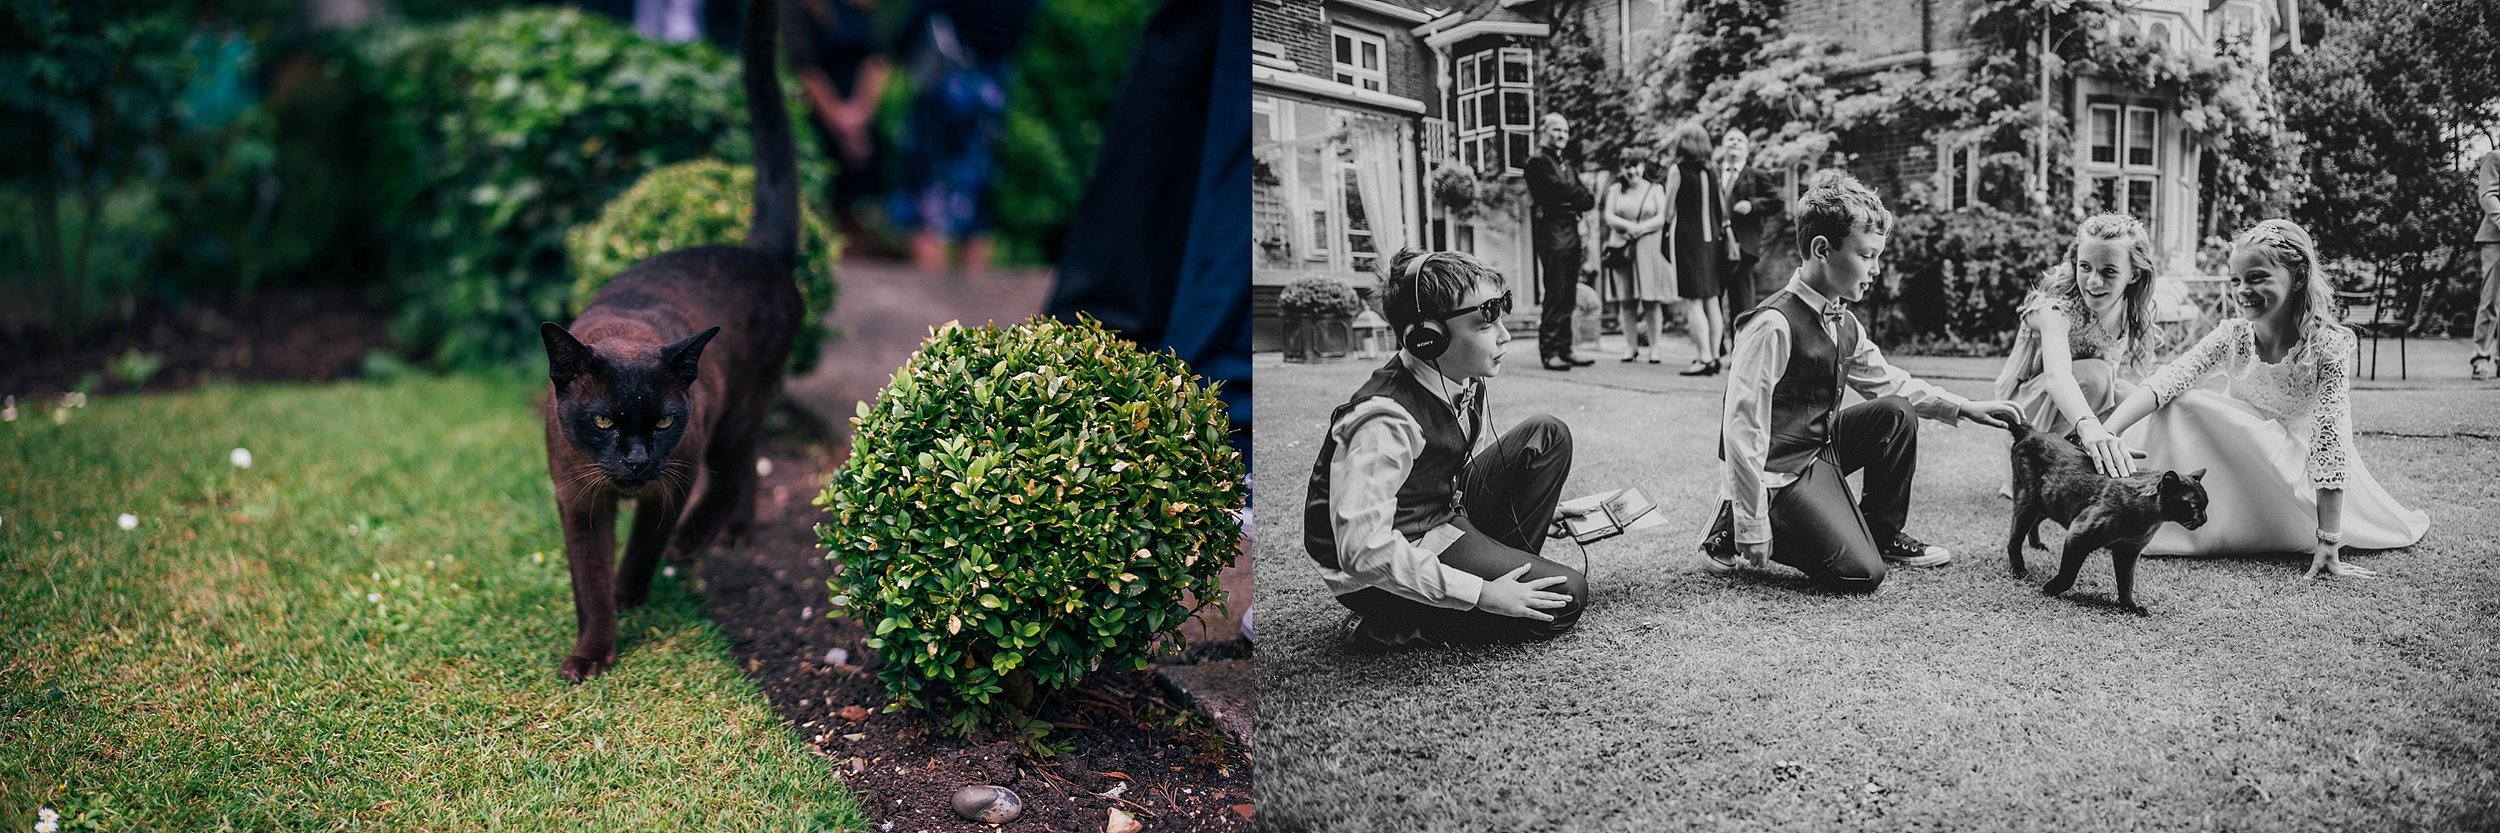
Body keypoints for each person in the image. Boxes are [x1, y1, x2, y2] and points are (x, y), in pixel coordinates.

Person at [1697, 170, 2021, 591]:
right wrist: (1752, 521)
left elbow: (1890, 384)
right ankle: (1733, 520)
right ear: (1822, 249)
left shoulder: (1844, 321)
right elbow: (1742, 429)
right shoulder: (1771, 324)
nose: (1877, 269)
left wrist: (1963, 407)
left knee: (1896, 413)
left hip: (1820, 450)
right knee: (1860, 573)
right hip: (1780, 471)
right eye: (1867, 256)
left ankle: (1882, 533)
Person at [2099, 219, 2430, 575]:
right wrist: (2107, 431)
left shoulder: (2326, 346)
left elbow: (2331, 440)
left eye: (2257, 278)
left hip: (2293, 471)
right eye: (2237, 281)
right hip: (2237, 460)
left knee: (2193, 403)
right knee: (2177, 400)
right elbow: (2170, 377)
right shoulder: (2233, 335)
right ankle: (2131, 508)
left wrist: (2330, 540)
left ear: (2298, 277)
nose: (2243, 290)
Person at [1302, 249, 1587, 650]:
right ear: (1428, 338)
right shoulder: (1384, 418)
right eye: (1486, 324)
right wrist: (1483, 595)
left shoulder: (1461, 377)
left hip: (1436, 515)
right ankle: (1393, 623)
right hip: (1385, 559)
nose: (1504, 336)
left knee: (1548, 434)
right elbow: (1362, 552)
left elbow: (1444, 475)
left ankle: (1488, 583)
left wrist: (1532, 504)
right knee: (1567, 596)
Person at [1991, 213, 2161, 479]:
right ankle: (2037, 469)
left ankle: (2104, 467)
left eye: (2108, 271)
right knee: (2096, 376)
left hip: (2074, 406)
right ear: (2075, 262)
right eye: (2085, 267)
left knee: (2133, 397)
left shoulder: (2127, 310)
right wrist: (2089, 424)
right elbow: (2057, 377)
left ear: (2134, 274)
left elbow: (2114, 384)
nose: (2093, 281)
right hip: (2024, 412)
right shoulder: (2057, 310)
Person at [887, 0, 1039, 274]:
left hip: (945, 93)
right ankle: (974, 306)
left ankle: (929, 305)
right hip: (990, 95)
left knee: (928, 201)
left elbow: (906, 33)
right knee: (977, 203)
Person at [788, 0, 892, 255]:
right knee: (827, 202)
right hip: (822, 114)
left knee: (858, 205)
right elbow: (806, 66)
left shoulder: (865, 6)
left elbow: (879, 59)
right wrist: (838, 118)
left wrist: (860, 113)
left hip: (862, 113)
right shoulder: (806, 7)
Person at [1662, 122, 1737, 376]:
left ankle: (1703, 357)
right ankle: (1715, 356)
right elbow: (1720, 210)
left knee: (1693, 302)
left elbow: (1669, 210)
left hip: (1688, 240)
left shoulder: (1678, 170)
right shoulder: (1713, 170)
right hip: (1712, 242)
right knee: (1712, 300)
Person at [1526, 113, 1598, 371]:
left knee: (1569, 291)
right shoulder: (1537, 162)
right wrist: (1573, 197)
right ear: (1543, 131)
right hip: (1552, 230)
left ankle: (1566, 349)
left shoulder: (1568, 166)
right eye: (1556, 130)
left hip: (1571, 229)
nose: (1561, 135)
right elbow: (1556, 191)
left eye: (1565, 131)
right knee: (1555, 290)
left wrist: (1572, 197)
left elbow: (1588, 200)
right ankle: (1550, 351)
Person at [1601, 146, 1670, 363]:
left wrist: (1641, 228)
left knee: (1651, 300)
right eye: (1627, 167)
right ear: (1622, 168)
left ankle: (1655, 348)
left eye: (1636, 165)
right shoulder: (1615, 190)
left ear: (1643, 166)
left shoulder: (1655, 189)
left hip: (1649, 247)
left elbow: (1662, 217)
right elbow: (1609, 216)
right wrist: (1628, 226)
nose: (1632, 171)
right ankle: (1630, 347)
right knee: (1626, 300)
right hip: (1623, 248)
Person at [1717, 128, 1784, 351]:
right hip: (1715, 246)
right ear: (1723, 146)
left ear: (1746, 148)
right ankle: (1715, 351)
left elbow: (1777, 202)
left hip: (1744, 247)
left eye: (1739, 140)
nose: (1734, 143)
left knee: (1742, 302)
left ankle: (1742, 350)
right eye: (1730, 139)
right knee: (1713, 299)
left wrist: (1752, 205)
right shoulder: (1715, 174)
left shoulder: (1756, 174)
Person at [2471, 148, 2500, 381]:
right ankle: (2481, 358)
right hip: (2495, 239)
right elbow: (2487, 195)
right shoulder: (2495, 157)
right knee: (2490, 299)